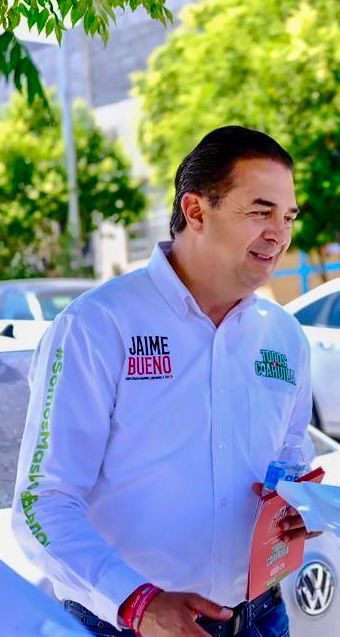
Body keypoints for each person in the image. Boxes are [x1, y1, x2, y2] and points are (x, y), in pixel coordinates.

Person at [12, 126, 319, 637]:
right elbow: (42, 503)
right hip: (127, 623)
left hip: (262, 616)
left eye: (288, 217)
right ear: (196, 211)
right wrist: (138, 603)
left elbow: (290, 456)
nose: (279, 233)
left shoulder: (285, 336)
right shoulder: (97, 325)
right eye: (260, 211)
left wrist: (296, 506)